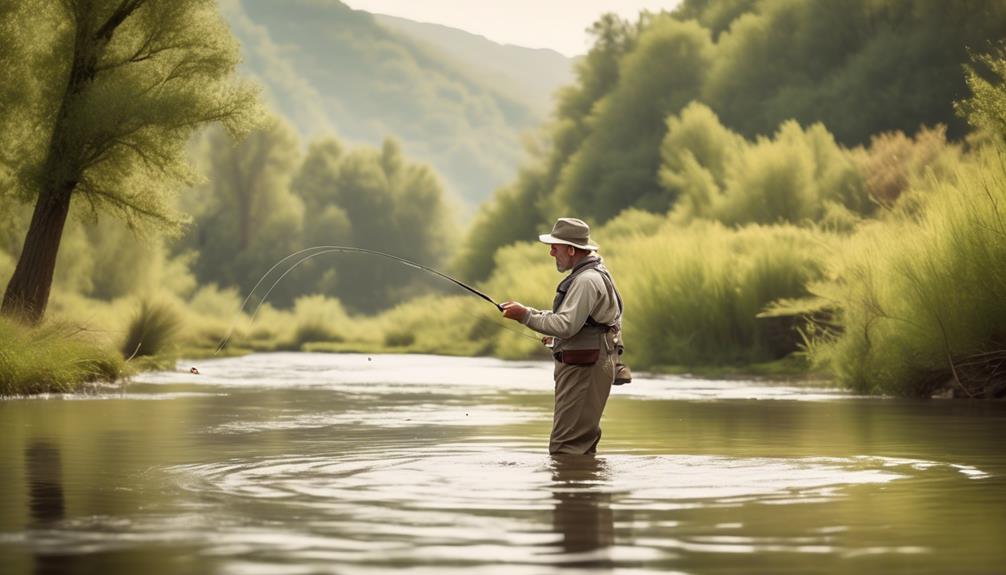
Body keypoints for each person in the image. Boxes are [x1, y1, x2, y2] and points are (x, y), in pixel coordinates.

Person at [501, 217, 627, 455]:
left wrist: (525, 316)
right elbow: (588, 324)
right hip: (589, 366)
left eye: (555, 247)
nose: (551, 252)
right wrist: (544, 326)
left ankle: (570, 491)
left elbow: (566, 324)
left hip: (585, 370)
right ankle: (586, 488)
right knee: (580, 445)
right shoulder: (595, 274)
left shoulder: (587, 280)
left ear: (571, 249)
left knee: (565, 447)